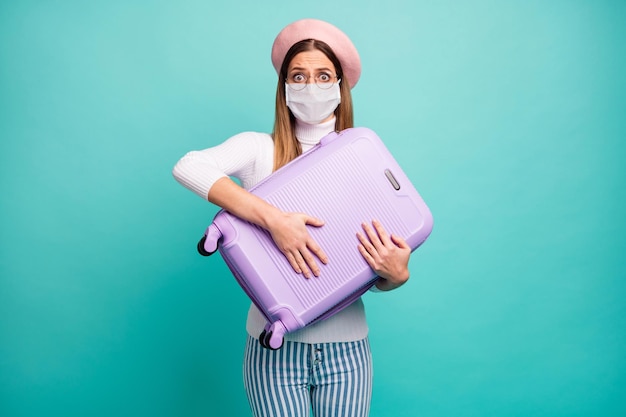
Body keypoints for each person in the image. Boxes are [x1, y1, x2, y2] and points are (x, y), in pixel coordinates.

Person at [173, 18, 412, 417]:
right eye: (298, 76)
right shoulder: (257, 150)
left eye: (323, 76)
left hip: (347, 352)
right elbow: (189, 166)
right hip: (272, 350)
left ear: (340, 87)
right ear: (284, 88)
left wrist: (395, 277)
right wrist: (274, 220)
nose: (311, 86)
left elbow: (360, 275)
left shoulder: (364, 163)